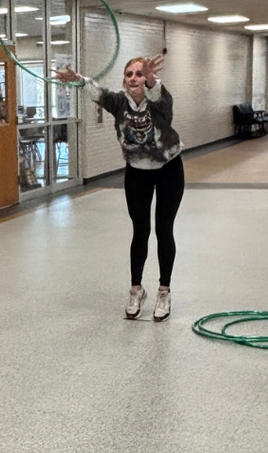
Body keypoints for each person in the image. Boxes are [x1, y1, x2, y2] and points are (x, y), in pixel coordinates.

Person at [55, 54, 182, 321]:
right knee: (140, 230)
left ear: (147, 79)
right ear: (124, 80)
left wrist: (152, 80)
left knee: (163, 229)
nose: (134, 78)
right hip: (137, 171)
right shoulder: (119, 103)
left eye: (139, 74)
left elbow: (160, 96)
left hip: (168, 168)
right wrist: (78, 79)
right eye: (129, 74)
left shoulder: (159, 102)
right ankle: (136, 289)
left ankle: (164, 291)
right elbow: (97, 92)